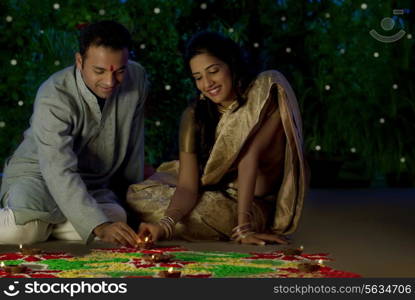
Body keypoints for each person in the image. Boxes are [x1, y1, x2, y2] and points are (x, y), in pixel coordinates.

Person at [127, 31, 308, 245]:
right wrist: (165, 224)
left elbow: (249, 156)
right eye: (198, 78)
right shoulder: (194, 115)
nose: (207, 83)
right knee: (136, 195)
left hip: (250, 202)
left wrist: (244, 228)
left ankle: (236, 224)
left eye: (213, 71)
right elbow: (187, 186)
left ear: (231, 65)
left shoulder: (265, 96)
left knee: (207, 212)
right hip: (209, 186)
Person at [0, 20, 149, 247]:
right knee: (24, 233)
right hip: (39, 176)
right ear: (79, 61)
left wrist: (130, 202)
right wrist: (97, 224)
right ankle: (46, 223)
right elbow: (57, 169)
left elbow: (134, 146)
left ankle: (50, 223)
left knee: (118, 219)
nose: (110, 81)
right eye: (99, 71)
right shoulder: (53, 94)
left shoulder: (137, 77)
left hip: (92, 184)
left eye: (120, 71)